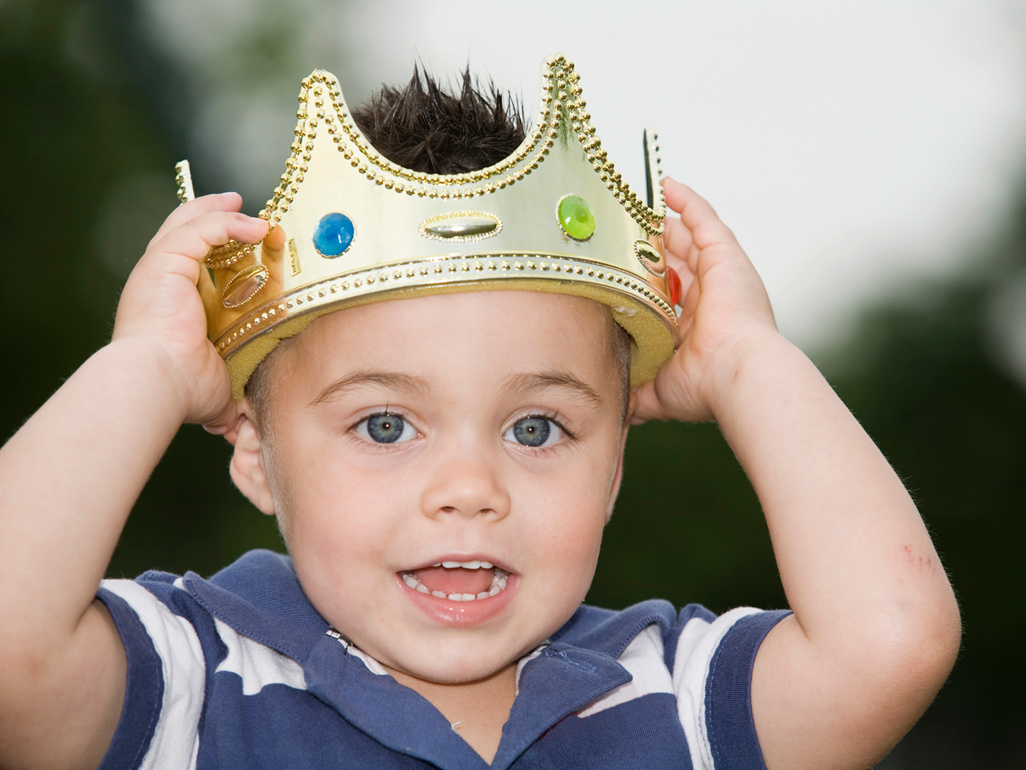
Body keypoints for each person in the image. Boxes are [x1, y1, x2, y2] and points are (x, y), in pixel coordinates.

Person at [0, 55, 960, 770]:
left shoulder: (672, 696)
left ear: (616, 463)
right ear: (254, 450)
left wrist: (752, 361)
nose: (470, 490)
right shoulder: (193, 677)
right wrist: (149, 367)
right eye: (385, 425)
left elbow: (891, 641)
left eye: (536, 428)